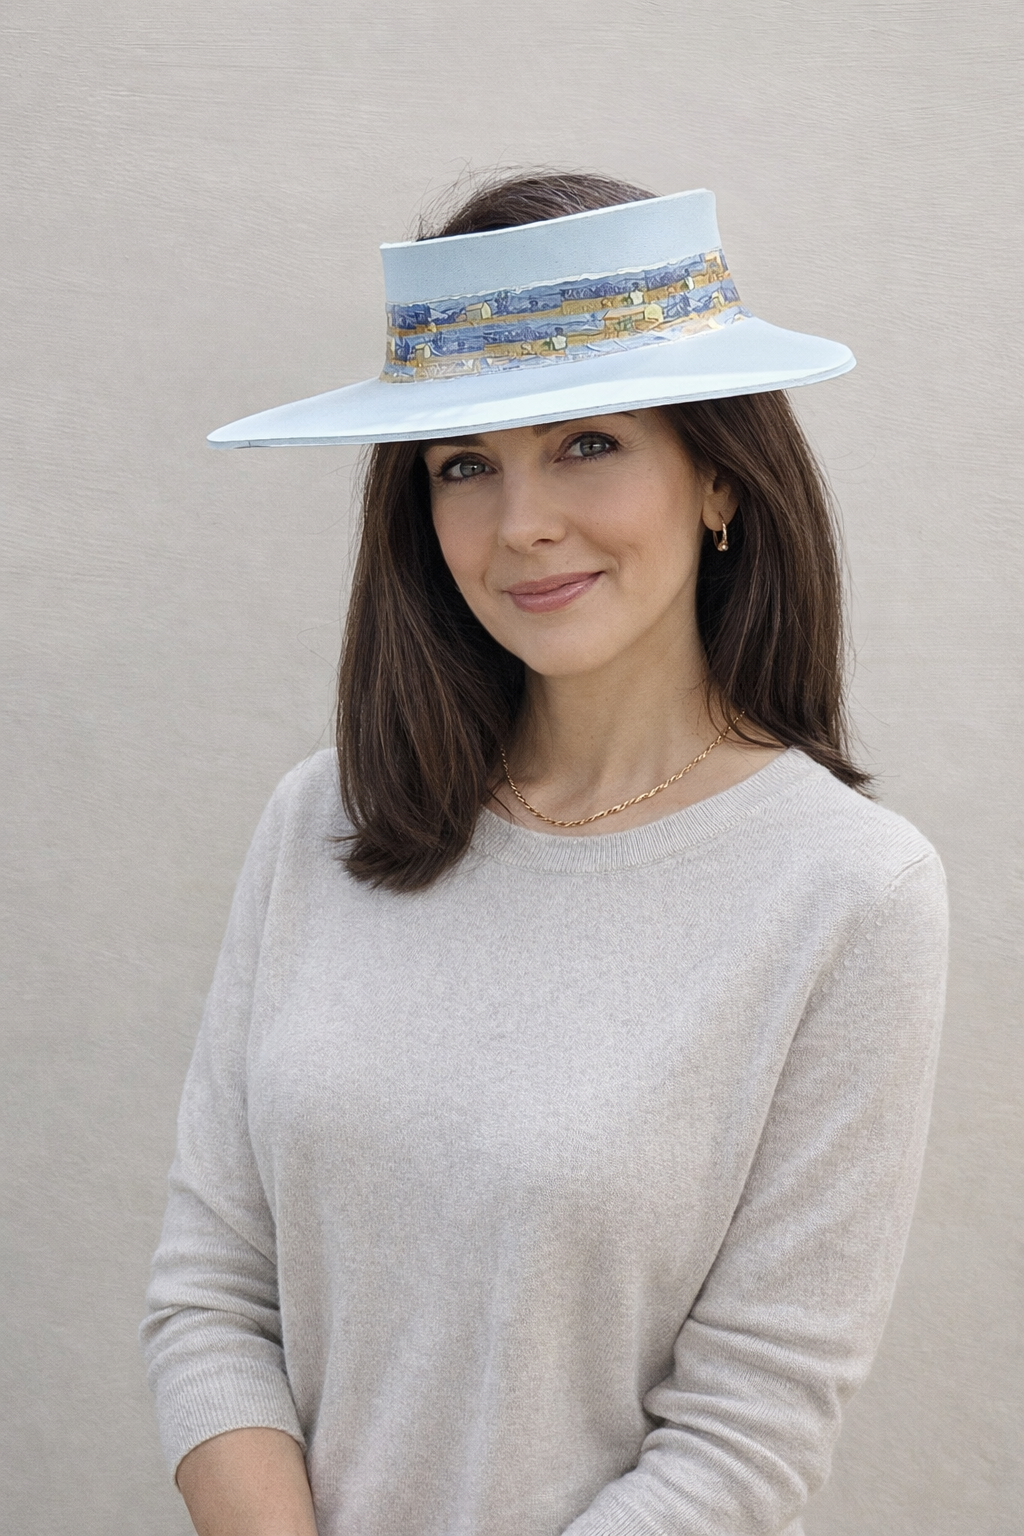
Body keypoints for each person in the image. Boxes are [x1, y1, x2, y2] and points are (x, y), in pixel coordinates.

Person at [141, 172, 948, 1536]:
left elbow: (749, 1439)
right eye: (465, 463)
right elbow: (211, 1293)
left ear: (721, 484)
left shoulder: (849, 894)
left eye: (586, 443)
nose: (521, 525)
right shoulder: (321, 823)